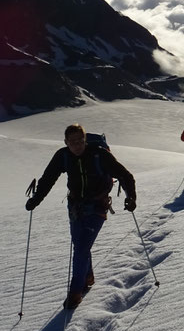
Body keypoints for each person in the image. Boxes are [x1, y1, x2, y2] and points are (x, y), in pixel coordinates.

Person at [25, 124, 136, 311]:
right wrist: (36, 200)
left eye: (80, 141)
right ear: (66, 142)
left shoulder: (99, 154)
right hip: (76, 207)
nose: (77, 145)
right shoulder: (63, 156)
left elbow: (125, 176)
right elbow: (48, 179)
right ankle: (88, 276)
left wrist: (131, 197)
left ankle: (75, 292)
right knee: (80, 245)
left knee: (82, 248)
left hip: (98, 206)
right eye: (72, 142)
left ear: (85, 140)